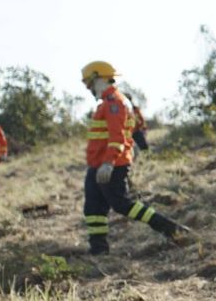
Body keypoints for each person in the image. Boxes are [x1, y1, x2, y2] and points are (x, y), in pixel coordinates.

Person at [81, 61, 188, 254]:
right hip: (97, 165)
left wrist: (108, 163)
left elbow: (117, 136)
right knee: (93, 208)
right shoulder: (105, 103)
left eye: (89, 82)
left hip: (112, 165)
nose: (87, 87)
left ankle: (170, 228)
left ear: (99, 78)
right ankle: (99, 250)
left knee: (122, 204)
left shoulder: (115, 102)